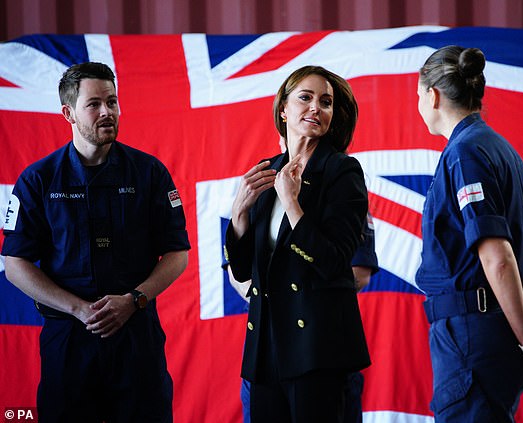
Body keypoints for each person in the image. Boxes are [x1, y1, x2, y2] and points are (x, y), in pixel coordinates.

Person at [1, 62, 190, 422]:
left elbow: (177, 254)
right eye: (94, 104)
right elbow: (15, 265)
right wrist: (78, 309)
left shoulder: (150, 173)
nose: (107, 112)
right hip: (69, 341)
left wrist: (134, 300)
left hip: (136, 337)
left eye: (113, 101)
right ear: (68, 113)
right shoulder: (38, 180)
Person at [414, 46, 523, 423]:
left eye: (417, 93)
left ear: (432, 95)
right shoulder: (504, 151)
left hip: (471, 337)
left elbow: (497, 255)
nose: (418, 102)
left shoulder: (464, 154)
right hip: (495, 332)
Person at [224, 65, 371, 423]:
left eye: (326, 102)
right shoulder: (266, 170)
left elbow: (335, 261)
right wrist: (239, 214)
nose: (316, 108)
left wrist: (292, 203)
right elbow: (243, 270)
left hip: (318, 348)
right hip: (266, 346)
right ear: (283, 110)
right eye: (305, 98)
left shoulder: (342, 172)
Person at [226, 212, 379, 423]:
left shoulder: (340, 190)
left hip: (320, 341)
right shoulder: (254, 193)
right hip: (264, 343)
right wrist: (271, 300)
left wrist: (296, 300)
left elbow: (359, 273)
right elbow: (235, 272)